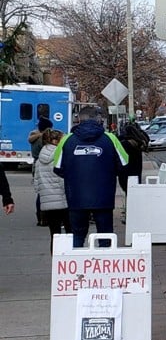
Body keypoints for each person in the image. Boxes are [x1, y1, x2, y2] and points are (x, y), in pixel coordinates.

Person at [53, 106, 129, 248]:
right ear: (98, 119)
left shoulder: (66, 140)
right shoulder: (111, 139)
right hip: (104, 198)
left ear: (79, 120)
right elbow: (124, 164)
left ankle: (76, 267)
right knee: (106, 236)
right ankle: (104, 267)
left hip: (76, 197)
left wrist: (73, 177)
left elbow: (57, 168)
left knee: (77, 236)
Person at [32, 129, 72, 253]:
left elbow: (37, 184)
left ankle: (56, 261)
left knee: (54, 235)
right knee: (71, 233)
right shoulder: (60, 156)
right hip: (64, 201)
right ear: (55, 141)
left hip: (47, 204)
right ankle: (69, 260)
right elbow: (63, 180)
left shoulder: (39, 161)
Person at [29, 116, 53, 226]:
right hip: (45, 166)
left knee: (40, 192)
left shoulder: (33, 136)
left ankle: (40, 217)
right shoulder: (44, 139)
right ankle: (46, 217)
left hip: (36, 165)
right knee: (47, 192)